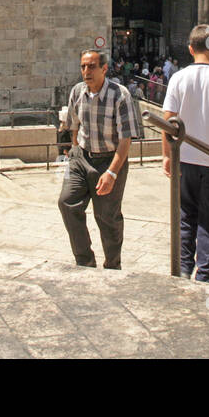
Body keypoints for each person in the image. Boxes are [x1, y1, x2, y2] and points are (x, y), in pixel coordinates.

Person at [162, 24, 209, 282]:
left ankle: (183, 270)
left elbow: (168, 120)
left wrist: (166, 156)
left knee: (187, 219)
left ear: (190, 49)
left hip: (184, 160)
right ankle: (206, 278)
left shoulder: (178, 77)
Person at [58, 50, 141, 270]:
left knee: (107, 217)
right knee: (67, 203)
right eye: (83, 66)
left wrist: (112, 172)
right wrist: (74, 151)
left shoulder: (120, 95)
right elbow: (73, 125)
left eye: (92, 66)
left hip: (109, 160)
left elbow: (125, 139)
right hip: (81, 157)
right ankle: (84, 259)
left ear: (104, 69)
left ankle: (113, 264)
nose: (86, 71)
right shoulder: (77, 91)